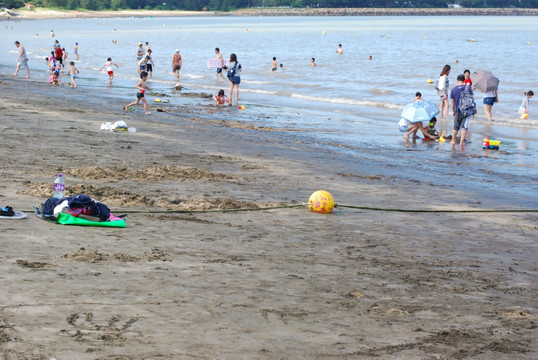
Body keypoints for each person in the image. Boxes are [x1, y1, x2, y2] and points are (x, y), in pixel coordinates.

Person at [450, 74, 476, 146]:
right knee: (464, 127)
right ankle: (461, 143)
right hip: (468, 110)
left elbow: (452, 102)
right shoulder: (468, 87)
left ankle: (453, 140)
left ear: (457, 80)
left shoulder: (453, 89)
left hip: (458, 110)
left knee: (456, 126)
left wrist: (453, 111)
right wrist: (475, 108)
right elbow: (472, 98)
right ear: (464, 80)